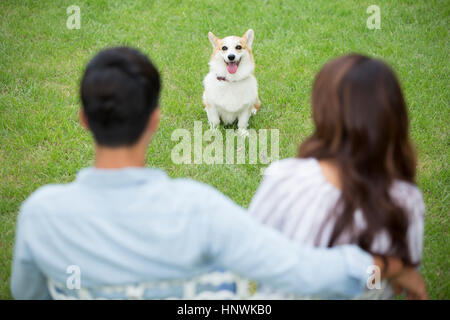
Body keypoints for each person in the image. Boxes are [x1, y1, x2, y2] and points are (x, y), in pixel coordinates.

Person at [11, 48, 426, 299]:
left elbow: (28, 294)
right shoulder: (200, 208)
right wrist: (386, 266)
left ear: (83, 120)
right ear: (155, 120)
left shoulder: (38, 214)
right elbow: (296, 268)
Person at [249, 54, 425, 299]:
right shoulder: (408, 199)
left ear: (322, 113)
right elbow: (389, 282)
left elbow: (252, 255)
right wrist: (384, 268)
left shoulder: (286, 178)